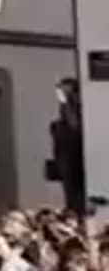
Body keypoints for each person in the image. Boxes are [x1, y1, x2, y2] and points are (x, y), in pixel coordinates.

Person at [49, 78, 85, 217]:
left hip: (77, 165)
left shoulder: (81, 116)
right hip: (67, 166)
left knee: (78, 200)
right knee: (72, 201)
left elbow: (75, 124)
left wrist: (65, 99)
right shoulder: (59, 125)